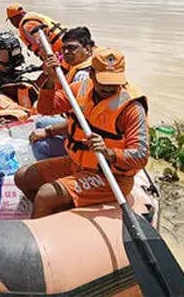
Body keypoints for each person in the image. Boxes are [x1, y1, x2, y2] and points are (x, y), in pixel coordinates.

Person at [15, 47, 149, 218]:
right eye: (104, 81)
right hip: (76, 163)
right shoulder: (82, 88)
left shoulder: (131, 108)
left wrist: (109, 152)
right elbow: (46, 108)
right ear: (92, 74)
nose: (109, 87)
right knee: (23, 177)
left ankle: (46, 219)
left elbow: (141, 155)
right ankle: (55, 212)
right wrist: (51, 80)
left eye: (114, 82)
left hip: (110, 175)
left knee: (45, 195)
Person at [30, 26, 96, 160]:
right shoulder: (77, 68)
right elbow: (53, 103)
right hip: (75, 124)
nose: (66, 52)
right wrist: (51, 76)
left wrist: (48, 132)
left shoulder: (83, 76)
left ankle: (55, 173)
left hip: (87, 137)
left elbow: (81, 121)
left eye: (72, 48)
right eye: (64, 49)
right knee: (41, 122)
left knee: (39, 143)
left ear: (88, 49)